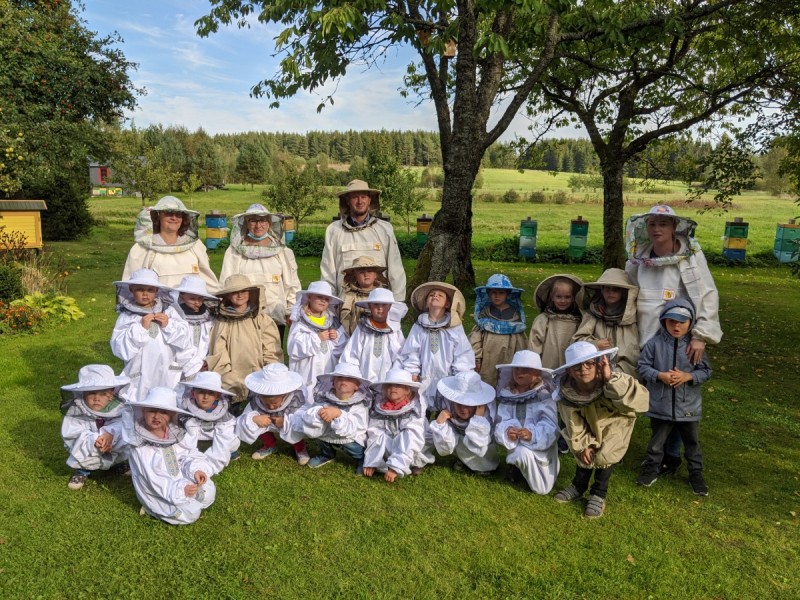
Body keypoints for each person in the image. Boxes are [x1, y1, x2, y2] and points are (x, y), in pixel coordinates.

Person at [625, 204, 722, 473]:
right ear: (646, 228)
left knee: (680, 390)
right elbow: (630, 292)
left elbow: (706, 294)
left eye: (663, 224)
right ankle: (660, 450)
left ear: (674, 228)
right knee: (657, 391)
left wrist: (700, 336)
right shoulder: (638, 257)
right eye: (652, 224)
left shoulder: (690, 256)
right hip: (647, 335)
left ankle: (671, 454)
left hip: (681, 335)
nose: (657, 229)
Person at [552, 342, 649, 519]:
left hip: (615, 422)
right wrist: (583, 445)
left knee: (605, 454)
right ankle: (578, 486)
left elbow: (637, 401)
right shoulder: (566, 393)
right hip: (587, 422)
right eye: (577, 366)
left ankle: (598, 493)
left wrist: (610, 380)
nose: (584, 369)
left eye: (589, 363)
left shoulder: (617, 379)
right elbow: (573, 422)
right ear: (569, 371)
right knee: (584, 454)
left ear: (599, 363)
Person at [636, 300, 712, 496]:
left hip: (688, 406)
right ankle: (652, 468)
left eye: (682, 322)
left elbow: (706, 371)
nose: (677, 326)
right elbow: (642, 366)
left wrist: (689, 377)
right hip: (660, 405)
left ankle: (696, 473)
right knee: (656, 442)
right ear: (663, 322)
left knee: (692, 443)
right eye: (671, 322)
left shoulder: (695, 348)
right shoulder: (654, 344)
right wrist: (659, 376)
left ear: (691, 323)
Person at [113, 387, 215, 525]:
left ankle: (186, 497)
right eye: (152, 411)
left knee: (208, 493)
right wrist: (180, 490)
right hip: (156, 488)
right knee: (190, 514)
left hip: (178, 478)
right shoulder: (140, 445)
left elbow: (189, 454)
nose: (156, 416)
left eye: (163, 412)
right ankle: (151, 508)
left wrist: (196, 470)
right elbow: (153, 477)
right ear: (143, 411)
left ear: (171, 414)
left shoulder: (175, 432)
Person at [219, 203, 301, 340]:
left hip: (274, 315)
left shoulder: (284, 252)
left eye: (262, 220)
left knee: (272, 357)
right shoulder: (234, 251)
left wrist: (291, 311)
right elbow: (225, 282)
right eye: (253, 220)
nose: (258, 225)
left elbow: (291, 283)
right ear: (246, 223)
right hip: (243, 316)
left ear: (269, 223)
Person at [110, 268, 191, 403]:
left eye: (150, 290)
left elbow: (184, 339)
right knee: (140, 399)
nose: (145, 294)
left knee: (166, 399)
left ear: (157, 291)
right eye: (140, 289)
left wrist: (168, 325)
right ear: (131, 289)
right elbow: (120, 348)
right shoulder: (127, 316)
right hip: (140, 369)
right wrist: (140, 328)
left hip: (166, 367)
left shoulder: (168, 311)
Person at [394, 281, 475, 413]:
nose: (435, 296)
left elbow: (462, 352)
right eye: (431, 294)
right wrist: (413, 371)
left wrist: (460, 374)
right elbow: (412, 351)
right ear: (426, 303)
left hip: (448, 377)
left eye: (440, 295)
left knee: (445, 411)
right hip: (424, 377)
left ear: (447, 304)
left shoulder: (454, 328)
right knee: (420, 409)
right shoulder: (419, 326)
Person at [320, 179, 405, 302]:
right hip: (346, 305)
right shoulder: (334, 230)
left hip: (379, 305)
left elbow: (395, 269)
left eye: (363, 197)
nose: (360, 201)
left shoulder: (384, 229)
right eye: (355, 197)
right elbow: (328, 272)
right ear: (348, 201)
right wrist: (329, 304)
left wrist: (397, 303)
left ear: (370, 200)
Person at [205, 274, 283, 406]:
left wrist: (269, 371)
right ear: (228, 296)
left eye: (243, 291)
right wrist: (227, 377)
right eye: (235, 292)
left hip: (259, 374)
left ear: (250, 293)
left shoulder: (262, 319)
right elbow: (218, 352)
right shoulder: (223, 322)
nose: (240, 295)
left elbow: (271, 348)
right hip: (232, 377)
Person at [494, 350, 559, 494]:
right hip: (516, 445)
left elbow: (551, 425)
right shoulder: (508, 394)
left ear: (537, 373)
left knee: (542, 488)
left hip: (540, 447)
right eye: (516, 368)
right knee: (520, 452)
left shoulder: (543, 395)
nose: (519, 372)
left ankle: (532, 472)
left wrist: (532, 434)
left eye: (525, 369)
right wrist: (507, 430)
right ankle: (516, 468)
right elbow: (501, 420)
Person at [121, 195, 218, 291]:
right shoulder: (141, 248)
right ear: (158, 216)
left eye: (178, 214)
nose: (174, 218)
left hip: (191, 305)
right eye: (169, 213)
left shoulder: (196, 246)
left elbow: (207, 279)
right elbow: (130, 285)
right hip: (157, 305)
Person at [291, 363, 371, 474]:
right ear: (332, 382)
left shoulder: (359, 404)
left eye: (348, 379)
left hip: (350, 437)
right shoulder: (325, 398)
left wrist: (339, 414)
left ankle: (361, 459)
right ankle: (327, 454)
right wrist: (319, 412)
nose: (343, 381)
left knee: (353, 446)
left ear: (357, 385)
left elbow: (359, 425)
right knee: (318, 433)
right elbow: (310, 414)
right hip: (328, 433)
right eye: (339, 377)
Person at [60, 364, 130, 490]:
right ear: (83, 393)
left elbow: (123, 424)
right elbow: (72, 433)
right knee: (82, 451)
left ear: (111, 395)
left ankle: (116, 464)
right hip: (88, 443)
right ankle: (82, 471)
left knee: (123, 439)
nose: (97, 398)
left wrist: (109, 434)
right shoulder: (77, 410)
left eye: (103, 393)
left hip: (111, 441)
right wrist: (95, 439)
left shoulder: (117, 408)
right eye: (92, 393)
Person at [236, 363, 311, 465]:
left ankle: (300, 448)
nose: (271, 407)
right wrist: (255, 419)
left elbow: (304, 419)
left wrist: (286, 421)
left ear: (284, 395)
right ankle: (270, 445)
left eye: (275, 403)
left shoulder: (295, 400)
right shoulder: (257, 400)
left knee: (294, 427)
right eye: (267, 403)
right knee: (256, 425)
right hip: (267, 423)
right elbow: (244, 419)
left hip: (285, 421)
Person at [572, 268, 640, 377]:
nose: (610, 292)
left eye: (615, 289)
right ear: (601, 290)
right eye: (607, 288)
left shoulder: (631, 316)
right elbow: (577, 340)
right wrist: (595, 344)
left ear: (623, 292)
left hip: (625, 372)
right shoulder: (592, 314)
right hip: (596, 370)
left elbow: (634, 351)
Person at [362, 368, 426, 482]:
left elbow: (412, 439)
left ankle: (402, 465)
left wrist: (396, 466)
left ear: (407, 390)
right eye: (389, 385)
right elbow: (375, 433)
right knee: (379, 435)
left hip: (411, 449)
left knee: (406, 436)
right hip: (390, 446)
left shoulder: (414, 409)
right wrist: (371, 461)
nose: (393, 388)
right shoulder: (381, 406)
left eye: (398, 385)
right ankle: (379, 463)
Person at [430, 370, 499, 475]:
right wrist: (440, 423)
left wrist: (478, 419)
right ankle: (462, 460)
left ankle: (484, 466)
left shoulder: (486, 412)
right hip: (459, 445)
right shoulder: (448, 407)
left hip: (482, 452)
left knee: (479, 440)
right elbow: (444, 449)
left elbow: (480, 445)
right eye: (459, 404)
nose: (463, 409)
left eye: (468, 405)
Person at [287, 281, 348, 397]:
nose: (323, 301)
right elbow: (294, 347)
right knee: (307, 395)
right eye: (319, 297)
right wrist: (317, 337)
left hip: (328, 366)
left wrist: (337, 337)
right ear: (309, 297)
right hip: (307, 369)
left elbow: (343, 347)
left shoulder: (332, 320)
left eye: (326, 299)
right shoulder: (300, 321)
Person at [469, 274, 528, 387]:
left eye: (501, 293)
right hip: (488, 357)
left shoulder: (516, 319)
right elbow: (475, 339)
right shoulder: (484, 316)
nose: (497, 296)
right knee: (487, 384)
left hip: (509, 355)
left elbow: (522, 343)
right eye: (494, 292)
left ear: (507, 294)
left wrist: (522, 361)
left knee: (508, 383)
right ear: (489, 294)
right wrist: (477, 357)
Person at [339, 287, 407, 382]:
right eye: (376, 305)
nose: (380, 308)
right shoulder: (362, 329)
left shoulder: (394, 330)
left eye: (384, 305)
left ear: (390, 307)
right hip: (363, 378)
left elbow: (400, 356)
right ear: (370, 306)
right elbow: (351, 354)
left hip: (387, 381)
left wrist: (394, 377)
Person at [178, 371, 240, 475]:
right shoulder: (186, 406)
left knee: (231, 439)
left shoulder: (224, 412)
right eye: (201, 392)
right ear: (193, 393)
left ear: (217, 395)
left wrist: (213, 463)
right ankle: (189, 459)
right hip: (195, 430)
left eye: (211, 393)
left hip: (216, 430)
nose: (206, 397)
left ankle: (230, 451)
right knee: (183, 438)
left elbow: (226, 434)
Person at [528, 274, 584, 369]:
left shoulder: (579, 320)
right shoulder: (544, 320)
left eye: (567, 297)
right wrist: (533, 366)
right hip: (548, 364)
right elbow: (534, 345)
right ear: (552, 297)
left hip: (572, 365)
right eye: (558, 296)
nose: (563, 300)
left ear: (573, 298)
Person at [170, 276, 218, 380]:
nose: (197, 302)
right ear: (182, 296)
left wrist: (206, 361)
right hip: (181, 363)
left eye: (200, 298)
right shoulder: (175, 315)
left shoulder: (208, 316)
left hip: (204, 362)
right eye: (192, 298)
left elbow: (209, 340)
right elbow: (179, 344)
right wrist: (194, 365)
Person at [339, 256, 390, 335]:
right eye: (361, 272)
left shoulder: (383, 295)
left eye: (369, 271)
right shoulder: (348, 296)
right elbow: (343, 320)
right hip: (354, 337)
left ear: (376, 275)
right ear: (355, 276)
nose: (366, 274)